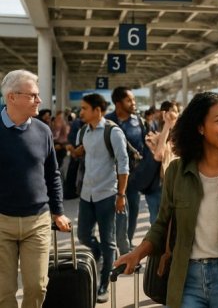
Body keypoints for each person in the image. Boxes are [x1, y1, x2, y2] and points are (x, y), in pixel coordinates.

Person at [114, 92, 218, 308]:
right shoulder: (176, 172)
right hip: (186, 281)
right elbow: (162, 225)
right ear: (200, 127)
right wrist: (137, 254)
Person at [0, 69, 71, 308]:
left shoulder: (43, 131)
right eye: (33, 96)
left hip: (37, 221)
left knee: (37, 286)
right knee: (3, 292)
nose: (39, 101)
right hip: (1, 223)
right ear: (11, 97)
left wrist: (58, 211)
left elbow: (53, 174)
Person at [73, 93, 129, 303]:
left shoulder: (113, 132)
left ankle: (104, 284)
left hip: (108, 194)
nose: (81, 112)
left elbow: (124, 165)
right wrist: (76, 152)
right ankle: (98, 255)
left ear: (97, 110)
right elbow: (86, 152)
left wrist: (121, 195)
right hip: (87, 194)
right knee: (83, 236)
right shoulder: (85, 131)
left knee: (109, 241)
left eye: (84, 108)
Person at [106, 86, 161, 255]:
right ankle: (113, 247)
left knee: (132, 211)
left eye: (134, 100)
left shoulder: (140, 121)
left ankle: (127, 247)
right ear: (118, 103)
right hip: (111, 176)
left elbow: (148, 145)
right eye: (129, 100)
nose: (133, 103)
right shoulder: (107, 121)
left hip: (134, 177)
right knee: (112, 215)